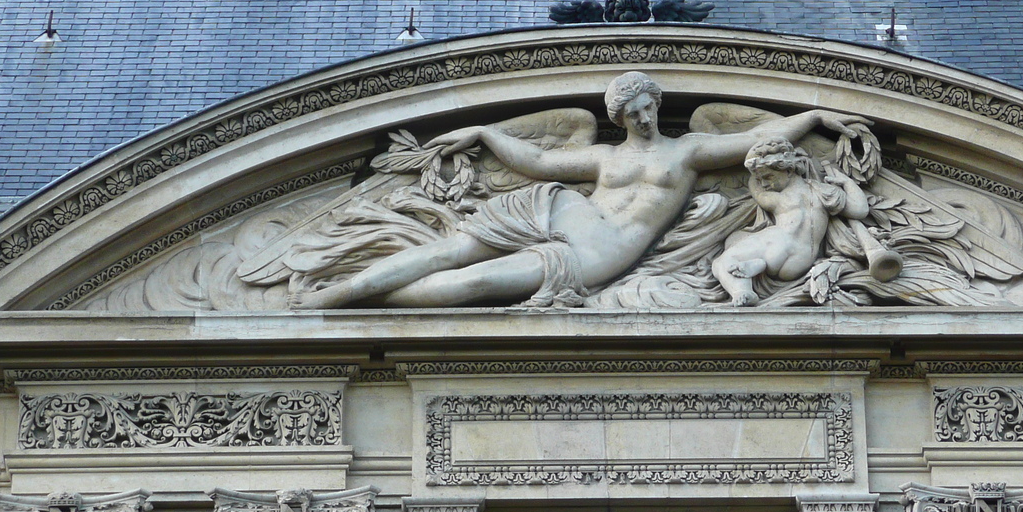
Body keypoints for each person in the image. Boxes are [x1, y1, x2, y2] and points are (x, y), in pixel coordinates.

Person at [290, 71, 861, 308]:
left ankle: (367, 304)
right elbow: (538, 160)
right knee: (446, 252)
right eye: (628, 111)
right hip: (556, 209)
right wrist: (485, 130)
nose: (638, 118)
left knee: (479, 282)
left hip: (600, 251)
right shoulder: (604, 156)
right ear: (616, 114)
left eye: (644, 108)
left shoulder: (686, 152)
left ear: (656, 106)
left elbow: (761, 137)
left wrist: (811, 116)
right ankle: (334, 296)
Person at [711, 138, 869, 306]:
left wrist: (753, 176)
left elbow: (757, 193)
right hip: (802, 260)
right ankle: (758, 264)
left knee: (722, 262)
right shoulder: (826, 193)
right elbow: (860, 209)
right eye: (760, 179)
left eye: (768, 177)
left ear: (789, 170)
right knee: (735, 238)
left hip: (778, 242)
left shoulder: (778, 199)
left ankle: (743, 291)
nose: (764, 183)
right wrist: (847, 182)